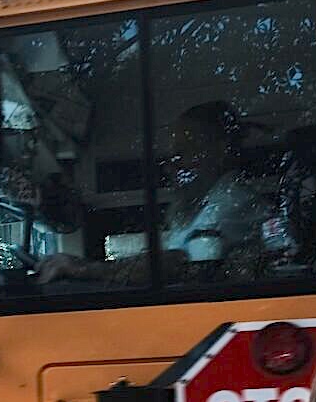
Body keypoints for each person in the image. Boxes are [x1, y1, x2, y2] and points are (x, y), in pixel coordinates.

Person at [36, 100, 266, 285]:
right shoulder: (203, 203)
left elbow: (179, 264)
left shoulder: (233, 200)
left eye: (183, 154)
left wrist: (85, 268)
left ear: (219, 152)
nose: (171, 166)